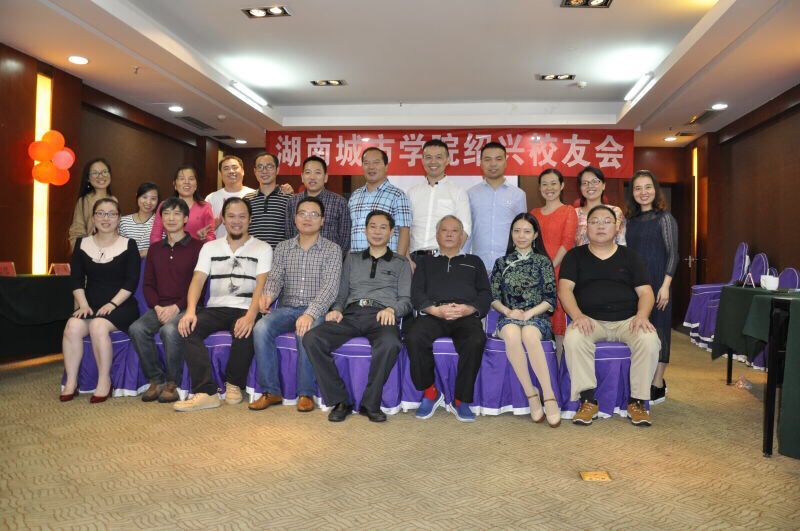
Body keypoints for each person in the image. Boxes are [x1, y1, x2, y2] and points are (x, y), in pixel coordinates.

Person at [303, 210, 412, 423]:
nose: (377, 231)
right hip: (351, 314)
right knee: (312, 338)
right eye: (373, 226)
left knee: (390, 343)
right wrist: (337, 309)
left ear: (391, 232)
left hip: (382, 315)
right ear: (365, 230)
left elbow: (406, 300)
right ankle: (340, 400)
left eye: (383, 227)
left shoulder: (400, 263)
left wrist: (392, 310)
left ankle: (370, 403)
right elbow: (341, 294)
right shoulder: (352, 259)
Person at [559, 205, 660, 427]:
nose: (601, 226)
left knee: (649, 340)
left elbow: (646, 292)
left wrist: (642, 315)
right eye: (595, 221)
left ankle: (637, 402)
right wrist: (577, 316)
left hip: (628, 321)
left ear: (617, 227)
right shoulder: (575, 256)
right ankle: (587, 401)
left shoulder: (631, 256)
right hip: (590, 320)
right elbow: (565, 290)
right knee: (574, 338)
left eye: (607, 221)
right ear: (586, 228)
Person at [174, 197, 271, 412]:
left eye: (242, 216)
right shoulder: (210, 247)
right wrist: (190, 311)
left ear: (250, 219)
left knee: (246, 329)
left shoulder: (263, 248)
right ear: (223, 220)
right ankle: (206, 392)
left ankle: (234, 383)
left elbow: (261, 285)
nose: (237, 221)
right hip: (215, 308)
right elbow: (198, 279)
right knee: (189, 328)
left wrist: (251, 315)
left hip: (245, 307)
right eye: (231, 216)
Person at [250, 196, 342, 413]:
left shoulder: (332, 249)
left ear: (322, 220)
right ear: (295, 218)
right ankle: (271, 390)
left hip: (316, 310)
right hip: (288, 308)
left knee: (305, 331)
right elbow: (275, 279)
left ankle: (305, 393)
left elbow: (330, 288)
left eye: (314, 214)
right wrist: (268, 296)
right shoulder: (283, 248)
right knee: (261, 328)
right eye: (302, 213)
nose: (307, 218)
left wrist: (310, 313)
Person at [404, 215, 490, 422]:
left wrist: (469, 309)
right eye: (444, 230)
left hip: (464, 315)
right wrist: (435, 310)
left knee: (475, 340)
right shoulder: (425, 262)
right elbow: (416, 293)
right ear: (437, 235)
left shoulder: (474, 261)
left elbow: (485, 294)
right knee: (413, 337)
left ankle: (461, 399)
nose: (449, 234)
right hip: (434, 314)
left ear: (462, 236)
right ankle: (430, 391)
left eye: (454, 231)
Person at [61, 198, 140, 403]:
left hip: (121, 305)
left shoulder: (129, 244)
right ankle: (71, 382)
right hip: (91, 305)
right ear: (94, 218)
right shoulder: (82, 243)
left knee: (98, 325)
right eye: (101, 213)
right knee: (72, 327)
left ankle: (104, 380)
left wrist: (112, 304)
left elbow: (131, 282)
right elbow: (76, 279)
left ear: (119, 218)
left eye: (112, 214)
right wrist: (83, 304)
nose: (106, 218)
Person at [128, 197, 204, 403]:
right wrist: (158, 307)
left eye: (177, 213)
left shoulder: (198, 247)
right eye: (166, 213)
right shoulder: (155, 249)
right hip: (160, 307)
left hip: (187, 306)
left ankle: (173, 382)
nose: (171, 218)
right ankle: (156, 379)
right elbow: (148, 284)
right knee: (137, 329)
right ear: (161, 218)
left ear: (186, 219)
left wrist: (176, 307)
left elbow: (199, 285)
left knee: (170, 330)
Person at [490, 213, 560, 427]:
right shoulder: (501, 262)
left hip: (536, 317)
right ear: (511, 234)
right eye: (517, 231)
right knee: (512, 333)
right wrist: (508, 312)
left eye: (527, 231)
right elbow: (493, 297)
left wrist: (528, 314)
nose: (521, 236)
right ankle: (531, 394)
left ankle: (549, 396)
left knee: (529, 334)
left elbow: (550, 298)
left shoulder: (543, 262)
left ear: (535, 235)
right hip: (509, 317)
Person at [624, 170, 678, 404]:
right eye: (638, 188)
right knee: (640, 329)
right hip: (635, 285)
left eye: (648, 187)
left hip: (659, 283)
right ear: (632, 193)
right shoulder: (629, 221)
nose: (643, 192)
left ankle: (657, 382)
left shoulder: (665, 218)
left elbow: (673, 254)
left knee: (660, 329)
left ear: (655, 190)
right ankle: (641, 379)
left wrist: (665, 285)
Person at [531, 168, 578, 358]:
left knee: (559, 328)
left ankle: (558, 370)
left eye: (553, 183)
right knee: (535, 325)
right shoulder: (534, 213)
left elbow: (567, 242)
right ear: (539, 188)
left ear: (562, 186)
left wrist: (548, 269)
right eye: (544, 184)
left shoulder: (568, 211)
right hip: (536, 275)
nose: (549, 188)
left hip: (560, 273)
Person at [467, 142, 527, 270]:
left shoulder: (518, 195)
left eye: (498, 159)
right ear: (481, 163)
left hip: (510, 264)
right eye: (487, 159)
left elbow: (523, 231)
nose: (493, 164)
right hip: (478, 264)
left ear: (505, 162)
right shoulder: (471, 194)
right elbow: (467, 230)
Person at [407, 139, 471, 259]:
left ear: (447, 160)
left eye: (438, 157)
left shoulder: (457, 191)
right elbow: (405, 228)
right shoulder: (412, 192)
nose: (433, 162)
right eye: (428, 157)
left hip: (444, 257)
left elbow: (465, 228)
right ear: (422, 160)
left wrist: (451, 257)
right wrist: (407, 258)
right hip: (414, 258)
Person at [348, 147, 412, 255]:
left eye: (376, 162)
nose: (371, 167)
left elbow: (404, 231)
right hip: (357, 260)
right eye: (366, 163)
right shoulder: (355, 196)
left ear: (386, 167)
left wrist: (399, 261)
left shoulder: (398, 195)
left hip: (387, 260)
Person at [285, 156, 351, 255]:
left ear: (326, 177)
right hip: (298, 259)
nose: (312, 177)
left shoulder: (339, 202)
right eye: (308, 172)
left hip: (329, 261)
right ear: (302, 177)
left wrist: (334, 259)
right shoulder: (292, 202)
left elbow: (345, 238)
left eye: (317, 172)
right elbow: (289, 234)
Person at [150, 165, 215, 243]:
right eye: (182, 179)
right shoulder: (164, 205)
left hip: (198, 250)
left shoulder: (205, 207)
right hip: (170, 250)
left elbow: (211, 237)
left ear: (196, 185)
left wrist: (204, 238)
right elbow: (155, 236)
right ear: (175, 184)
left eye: (191, 179)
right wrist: (161, 249)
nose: (186, 182)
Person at [68, 158, 117, 251]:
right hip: (90, 253)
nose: (101, 176)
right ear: (88, 178)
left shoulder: (114, 200)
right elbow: (76, 233)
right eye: (95, 173)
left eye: (104, 171)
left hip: (112, 253)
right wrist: (83, 253)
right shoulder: (84, 201)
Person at [245, 152, 292, 249]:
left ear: (277, 170)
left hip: (280, 255)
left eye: (269, 166)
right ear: (255, 171)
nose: (264, 171)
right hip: (252, 255)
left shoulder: (289, 198)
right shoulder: (246, 199)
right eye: (260, 167)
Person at [205, 156, 256, 239]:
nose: (231, 171)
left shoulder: (254, 195)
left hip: (249, 245)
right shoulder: (211, 198)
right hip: (218, 245)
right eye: (226, 168)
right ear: (221, 174)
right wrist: (217, 222)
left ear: (243, 171)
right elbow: (203, 231)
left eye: (235, 167)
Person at [574, 166, 626, 246]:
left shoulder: (615, 211)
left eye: (595, 181)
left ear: (603, 185)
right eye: (585, 183)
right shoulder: (574, 213)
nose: (590, 186)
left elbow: (621, 241)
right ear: (580, 188)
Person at [119, 182, 159, 256]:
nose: (148, 202)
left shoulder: (161, 222)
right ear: (137, 196)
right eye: (144, 197)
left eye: (153, 199)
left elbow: (163, 249)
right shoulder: (123, 222)